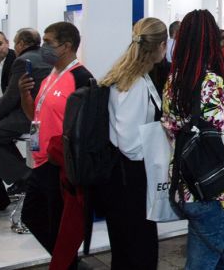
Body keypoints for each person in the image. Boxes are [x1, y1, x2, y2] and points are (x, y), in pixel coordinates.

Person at [162, 10, 224, 269]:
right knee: (204, 263)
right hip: (212, 184)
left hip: (186, 179)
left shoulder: (173, 81)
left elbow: (169, 126)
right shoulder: (210, 82)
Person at [19, 22, 94, 269]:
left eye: (48, 42)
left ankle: (67, 263)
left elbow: (87, 127)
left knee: (58, 225)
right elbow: (34, 115)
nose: (44, 47)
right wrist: (24, 95)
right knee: (33, 216)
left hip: (61, 165)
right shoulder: (49, 76)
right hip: (41, 160)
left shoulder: (81, 78)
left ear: (66, 46)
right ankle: (68, 263)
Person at [98, 18, 168, 269]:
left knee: (126, 245)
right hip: (130, 175)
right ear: (161, 45)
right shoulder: (135, 83)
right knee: (138, 246)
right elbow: (128, 142)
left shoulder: (128, 76)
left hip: (123, 174)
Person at [0, 28, 51, 194]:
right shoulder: (48, 57)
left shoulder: (22, 60)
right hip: (48, 113)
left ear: (20, 44)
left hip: (29, 115)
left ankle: (25, 177)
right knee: (1, 136)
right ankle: (23, 176)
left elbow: (11, 96)